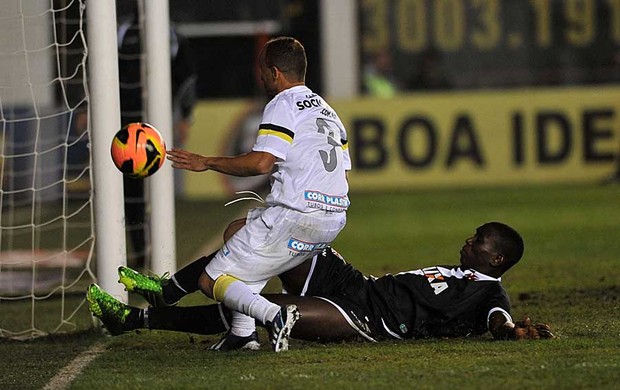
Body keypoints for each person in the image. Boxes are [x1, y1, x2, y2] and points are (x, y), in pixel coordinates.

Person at [162, 37, 351, 352]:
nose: (260, 77)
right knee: (236, 233)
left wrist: (206, 162)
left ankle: (274, 316)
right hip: (331, 221)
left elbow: (260, 163)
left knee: (210, 280)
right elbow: (342, 173)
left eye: (262, 71)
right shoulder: (327, 110)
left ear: (275, 73)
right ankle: (242, 333)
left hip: (296, 216)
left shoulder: (282, 103)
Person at [86, 222, 554, 348]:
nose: (468, 241)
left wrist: (510, 331)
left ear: (496, 258)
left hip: (368, 320)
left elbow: (499, 320)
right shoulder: (465, 272)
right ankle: (167, 288)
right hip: (357, 284)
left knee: (255, 303)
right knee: (258, 236)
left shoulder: (491, 293)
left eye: (478, 241)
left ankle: (138, 319)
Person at [118, 13, 197, 268]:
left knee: (157, 188)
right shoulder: (122, 31)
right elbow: (101, 68)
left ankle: (160, 249)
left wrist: (185, 116)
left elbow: (186, 77)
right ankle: (140, 250)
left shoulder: (171, 34)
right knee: (129, 192)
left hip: (156, 127)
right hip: (123, 128)